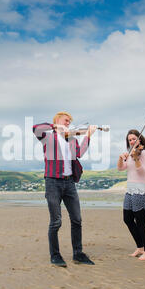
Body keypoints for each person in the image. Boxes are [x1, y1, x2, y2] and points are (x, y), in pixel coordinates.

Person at [33, 111, 97, 267]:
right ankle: (55, 255)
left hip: (69, 184)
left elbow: (79, 153)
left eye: (70, 121)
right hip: (52, 183)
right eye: (66, 120)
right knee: (56, 222)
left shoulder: (71, 139)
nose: (69, 123)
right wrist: (55, 126)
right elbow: (35, 129)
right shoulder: (48, 137)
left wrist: (88, 135)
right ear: (57, 120)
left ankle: (78, 254)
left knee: (77, 219)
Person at [117, 130, 145, 261]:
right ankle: (140, 247)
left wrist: (136, 159)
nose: (132, 141)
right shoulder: (131, 153)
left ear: (140, 139)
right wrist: (121, 158)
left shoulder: (144, 153)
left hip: (141, 190)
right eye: (130, 140)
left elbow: (142, 171)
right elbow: (121, 168)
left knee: (140, 221)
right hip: (130, 190)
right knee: (127, 219)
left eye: (134, 139)